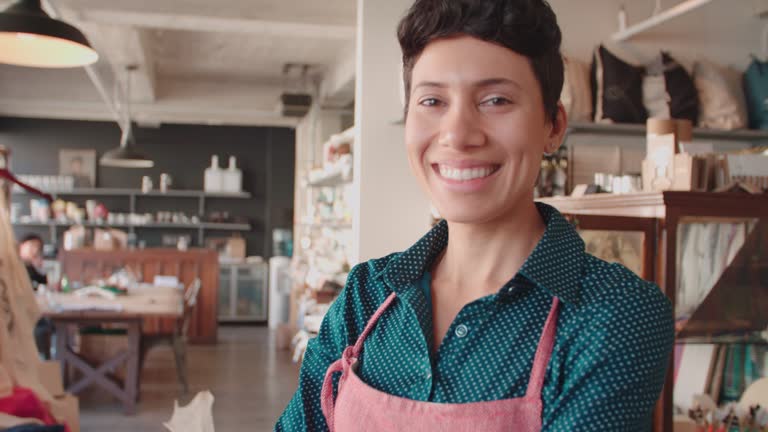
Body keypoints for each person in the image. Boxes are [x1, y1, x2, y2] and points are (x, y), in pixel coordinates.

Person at [276, 0, 674, 430]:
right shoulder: (367, 295)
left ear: (553, 126)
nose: (458, 134)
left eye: (496, 99)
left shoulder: (613, 314)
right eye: (432, 100)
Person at [18, 233, 53, 359]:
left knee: (47, 324)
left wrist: (38, 266)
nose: (35, 250)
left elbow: (43, 283)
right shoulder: (15, 265)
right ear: (22, 245)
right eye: (32, 246)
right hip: (20, 315)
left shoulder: (29, 266)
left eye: (38, 248)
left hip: (30, 311)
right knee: (43, 325)